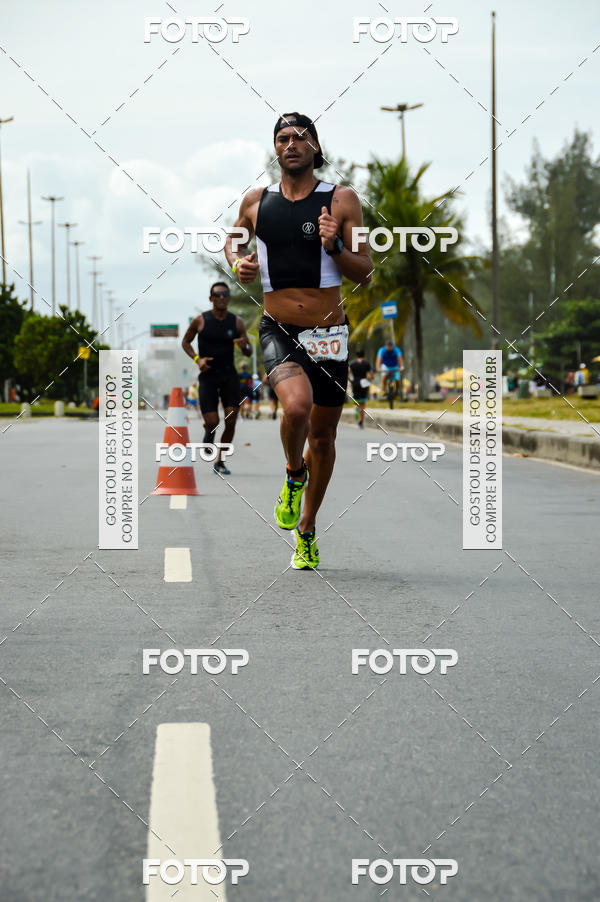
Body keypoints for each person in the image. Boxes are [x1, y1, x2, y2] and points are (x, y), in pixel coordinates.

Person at [224, 112, 373, 569]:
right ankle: (293, 473)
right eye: (283, 138)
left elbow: (365, 271)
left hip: (330, 334)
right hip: (279, 328)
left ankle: (306, 529)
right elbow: (232, 241)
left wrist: (335, 247)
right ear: (275, 148)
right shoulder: (256, 201)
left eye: (300, 137)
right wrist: (238, 263)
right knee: (296, 408)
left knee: (323, 439)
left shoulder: (342, 200)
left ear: (315, 147)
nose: (291, 144)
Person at [181, 281, 252, 475]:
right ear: (211, 298)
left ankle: (220, 460)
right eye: (218, 295)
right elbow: (185, 342)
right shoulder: (200, 320)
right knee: (212, 421)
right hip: (208, 376)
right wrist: (197, 360)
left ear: (229, 298)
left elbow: (248, 352)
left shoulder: (236, 322)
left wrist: (244, 346)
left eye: (225, 294)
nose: (222, 298)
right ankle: (209, 431)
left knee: (231, 419)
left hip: (229, 375)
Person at [348, 349, 373, 428]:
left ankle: (356, 411)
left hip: (355, 383)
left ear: (356, 355)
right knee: (363, 403)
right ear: (364, 355)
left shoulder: (352, 363)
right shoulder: (367, 364)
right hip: (364, 384)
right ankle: (361, 421)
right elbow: (371, 376)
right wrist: (369, 380)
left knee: (356, 401)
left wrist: (351, 381)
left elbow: (347, 374)